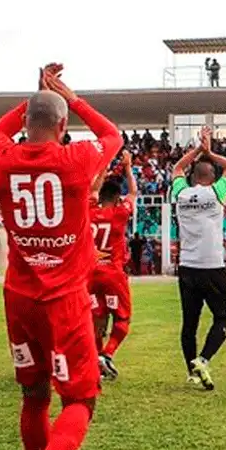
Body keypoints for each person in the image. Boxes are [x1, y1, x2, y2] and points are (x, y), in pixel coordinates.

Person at [0, 64, 123, 450]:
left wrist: (33, 97)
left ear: (27, 119)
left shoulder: (1, 157)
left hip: (19, 298)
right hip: (63, 300)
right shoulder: (76, 159)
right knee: (81, 399)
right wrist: (70, 96)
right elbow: (112, 134)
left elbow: (4, 131)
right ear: (63, 126)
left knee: (33, 395)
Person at [170, 126, 226, 391]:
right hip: (212, 266)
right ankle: (203, 359)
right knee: (224, 315)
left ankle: (191, 371)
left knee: (190, 322)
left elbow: (176, 168)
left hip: (187, 266)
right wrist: (211, 151)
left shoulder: (181, 193)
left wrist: (198, 150)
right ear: (212, 177)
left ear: (193, 176)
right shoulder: (216, 193)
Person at [89, 149, 139, 380]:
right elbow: (134, 192)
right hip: (113, 273)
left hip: (89, 275)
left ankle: (96, 358)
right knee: (122, 318)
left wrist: (102, 169)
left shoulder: (88, 211)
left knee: (96, 318)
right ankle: (107, 355)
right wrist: (127, 167)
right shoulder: (120, 213)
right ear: (117, 199)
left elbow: (92, 190)